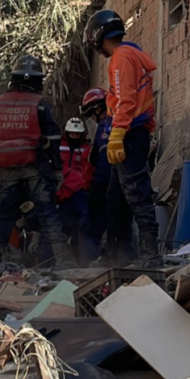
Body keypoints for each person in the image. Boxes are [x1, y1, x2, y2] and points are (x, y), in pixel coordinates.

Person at [0, 55, 76, 273]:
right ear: (37, 80)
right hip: (35, 169)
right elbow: (52, 139)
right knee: (48, 214)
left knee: (2, 216)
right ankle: (64, 263)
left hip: (5, 169)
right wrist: (57, 169)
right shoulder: (39, 104)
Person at [84, 9, 160, 263]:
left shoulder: (121, 58)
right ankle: (117, 254)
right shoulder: (133, 54)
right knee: (116, 199)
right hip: (132, 132)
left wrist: (117, 132)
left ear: (98, 38)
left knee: (137, 194)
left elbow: (126, 98)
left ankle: (150, 254)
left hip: (128, 134)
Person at [80, 87, 120, 264]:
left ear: (97, 109)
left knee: (88, 229)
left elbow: (104, 161)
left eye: (91, 114)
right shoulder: (116, 122)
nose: (92, 119)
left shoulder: (105, 128)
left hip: (106, 185)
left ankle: (91, 265)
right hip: (118, 185)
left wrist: (97, 188)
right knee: (119, 229)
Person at [53, 117, 90, 263]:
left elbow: (89, 169)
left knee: (80, 230)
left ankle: (82, 261)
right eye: (72, 133)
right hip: (62, 190)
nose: (74, 136)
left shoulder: (87, 148)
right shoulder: (58, 146)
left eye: (77, 134)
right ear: (66, 132)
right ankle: (53, 261)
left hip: (80, 192)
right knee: (59, 229)